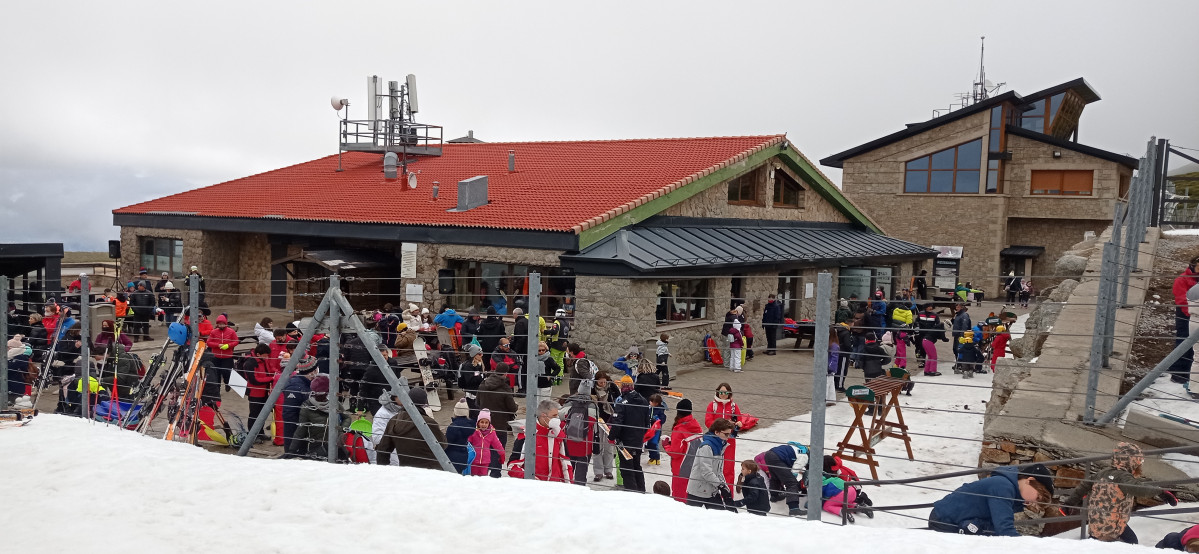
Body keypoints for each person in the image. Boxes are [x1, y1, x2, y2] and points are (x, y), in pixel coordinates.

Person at [1063, 442, 1177, 544]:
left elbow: (1082, 488)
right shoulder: (1123, 477)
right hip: (1113, 526)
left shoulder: (1102, 474)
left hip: (1097, 521)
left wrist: (1068, 504)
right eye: (1139, 461)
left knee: (1097, 542)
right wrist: (1160, 491)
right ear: (1132, 461)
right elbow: (1137, 488)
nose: (1140, 465)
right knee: (1131, 544)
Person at [928, 463, 1054, 537]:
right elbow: (1004, 528)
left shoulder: (1014, 496)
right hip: (944, 519)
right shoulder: (1002, 486)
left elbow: (994, 525)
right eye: (1037, 498)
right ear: (1030, 480)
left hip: (960, 522)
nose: (1034, 504)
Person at [375, 388, 447, 469]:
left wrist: (384, 472)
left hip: (408, 472)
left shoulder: (394, 421)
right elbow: (443, 445)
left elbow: (383, 450)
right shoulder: (428, 422)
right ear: (425, 402)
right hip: (430, 471)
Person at [476, 362, 518, 477]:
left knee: (485, 448)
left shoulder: (483, 383)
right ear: (506, 373)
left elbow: (477, 402)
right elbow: (512, 408)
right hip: (499, 424)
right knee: (498, 450)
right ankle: (495, 474)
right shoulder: (505, 388)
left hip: (484, 423)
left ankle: (483, 472)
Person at [686, 418, 736, 511]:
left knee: (720, 518)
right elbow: (706, 472)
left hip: (712, 490)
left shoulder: (720, 446)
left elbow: (718, 471)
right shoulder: (706, 447)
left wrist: (725, 486)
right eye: (726, 434)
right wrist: (720, 485)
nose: (728, 437)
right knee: (691, 520)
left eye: (729, 434)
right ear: (716, 432)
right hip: (697, 491)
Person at [612, 375, 651, 491]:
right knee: (637, 466)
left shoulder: (622, 403)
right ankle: (641, 490)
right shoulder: (643, 400)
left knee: (627, 470)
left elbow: (617, 423)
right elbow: (647, 422)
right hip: (638, 440)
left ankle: (632, 494)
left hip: (625, 442)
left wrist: (612, 436)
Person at [662, 398, 702, 503]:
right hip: (694, 466)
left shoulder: (678, 429)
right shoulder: (696, 425)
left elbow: (675, 453)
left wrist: (666, 445)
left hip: (681, 469)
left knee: (679, 498)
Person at [286, 374, 334, 459]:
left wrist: (340, 430)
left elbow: (346, 418)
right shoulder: (307, 406)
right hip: (317, 446)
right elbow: (301, 429)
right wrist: (291, 450)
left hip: (335, 443)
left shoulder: (334, 403)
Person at [705, 383, 743, 487]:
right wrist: (720, 427)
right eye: (721, 392)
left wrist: (738, 424)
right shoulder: (712, 405)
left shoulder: (733, 406)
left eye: (725, 392)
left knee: (728, 467)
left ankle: (729, 492)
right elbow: (708, 421)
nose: (723, 395)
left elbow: (739, 420)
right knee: (714, 465)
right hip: (715, 439)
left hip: (729, 440)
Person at [754, 442, 807, 516]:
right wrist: (792, 479)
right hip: (776, 457)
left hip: (768, 455)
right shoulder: (804, 456)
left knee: (775, 477)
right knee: (791, 482)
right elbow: (796, 468)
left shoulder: (797, 449)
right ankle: (794, 508)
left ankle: (774, 496)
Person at [280, 355, 318, 451]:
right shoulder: (295, 387)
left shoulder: (307, 383)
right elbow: (289, 414)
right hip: (296, 433)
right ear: (312, 371)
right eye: (316, 369)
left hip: (305, 430)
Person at [560, 393, 597, 485]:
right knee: (581, 474)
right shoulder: (592, 406)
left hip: (569, 445)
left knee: (568, 472)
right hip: (585, 447)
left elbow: (560, 419)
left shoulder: (569, 403)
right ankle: (579, 491)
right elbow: (593, 422)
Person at [590, 370, 620, 481]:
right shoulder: (592, 389)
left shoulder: (612, 387)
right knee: (597, 446)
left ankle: (608, 470)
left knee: (609, 446)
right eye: (600, 382)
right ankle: (598, 472)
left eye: (604, 382)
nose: (603, 384)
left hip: (610, 419)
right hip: (597, 418)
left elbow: (619, 399)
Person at [1176, 259, 1199, 385]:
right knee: (1183, 341)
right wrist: (1191, 313)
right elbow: (1182, 299)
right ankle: (1178, 373)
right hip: (1186, 315)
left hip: (1195, 314)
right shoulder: (1182, 279)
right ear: (1192, 267)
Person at [467, 408, 505, 477]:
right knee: (473, 477)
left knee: (483, 479)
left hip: (485, 461)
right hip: (474, 460)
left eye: (486, 422)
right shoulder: (474, 431)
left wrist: (502, 453)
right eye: (482, 422)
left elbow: (497, 444)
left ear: (489, 423)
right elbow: (467, 442)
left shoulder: (492, 433)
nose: (484, 424)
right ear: (478, 422)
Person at [371, 389, 404, 466]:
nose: (405, 400)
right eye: (403, 397)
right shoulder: (382, 414)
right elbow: (376, 437)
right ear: (395, 397)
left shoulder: (404, 409)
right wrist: (398, 440)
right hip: (390, 456)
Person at [208, 314, 239, 390]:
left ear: (225, 324)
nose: (221, 325)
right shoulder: (214, 332)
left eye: (222, 324)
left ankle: (227, 382)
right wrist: (218, 345)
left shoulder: (231, 332)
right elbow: (209, 342)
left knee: (227, 372)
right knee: (216, 373)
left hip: (227, 356)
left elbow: (236, 341)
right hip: (216, 356)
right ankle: (217, 387)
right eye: (219, 324)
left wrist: (228, 345)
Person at [444, 398, 475, 474]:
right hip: (463, 456)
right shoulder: (470, 426)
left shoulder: (453, 427)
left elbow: (447, 441)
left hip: (452, 457)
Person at [532, 341, 560, 406]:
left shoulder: (549, 359)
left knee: (545, 403)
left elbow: (557, 368)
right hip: (536, 384)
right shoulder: (533, 359)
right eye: (539, 350)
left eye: (543, 350)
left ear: (546, 350)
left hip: (546, 384)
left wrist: (551, 376)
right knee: (536, 403)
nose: (541, 352)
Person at [645, 393, 666, 466]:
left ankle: (656, 458)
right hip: (650, 429)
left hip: (656, 430)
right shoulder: (649, 408)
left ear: (656, 403)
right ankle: (652, 457)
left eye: (651, 401)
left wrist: (656, 419)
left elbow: (662, 419)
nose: (650, 402)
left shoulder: (660, 410)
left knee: (654, 443)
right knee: (649, 443)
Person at [951, 303, 971, 368]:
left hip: (960, 335)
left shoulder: (964, 315)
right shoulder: (957, 315)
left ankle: (960, 364)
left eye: (958, 307)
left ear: (962, 307)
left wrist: (962, 335)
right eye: (956, 307)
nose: (956, 308)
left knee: (959, 350)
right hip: (956, 335)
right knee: (955, 349)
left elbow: (964, 326)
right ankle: (958, 362)